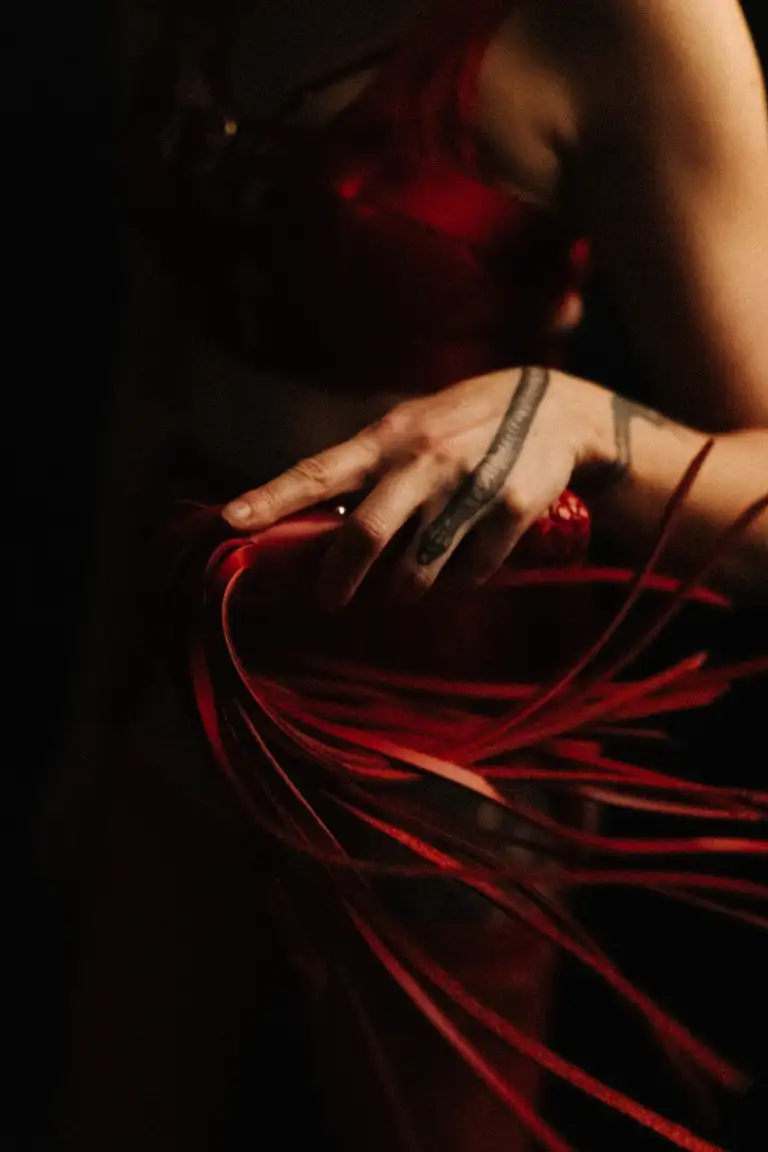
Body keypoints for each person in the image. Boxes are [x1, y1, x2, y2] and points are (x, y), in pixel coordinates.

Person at [54, 1, 767, 1150]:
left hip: (438, 722)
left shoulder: (638, 22)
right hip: (183, 659)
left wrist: (586, 423)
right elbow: (158, 365)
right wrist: (89, 727)